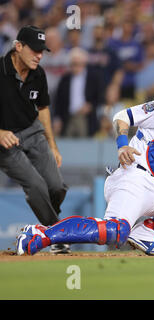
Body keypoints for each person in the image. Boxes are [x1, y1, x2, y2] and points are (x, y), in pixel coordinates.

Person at [16, 80, 154, 256]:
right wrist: (122, 145)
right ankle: (40, 234)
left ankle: (147, 232)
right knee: (115, 232)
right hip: (135, 178)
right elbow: (122, 117)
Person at [0, 25, 69, 254]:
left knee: (57, 186)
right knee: (36, 185)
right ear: (18, 47)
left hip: (32, 131)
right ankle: (55, 235)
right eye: (35, 50)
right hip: (5, 141)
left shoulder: (38, 73)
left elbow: (43, 109)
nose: (39, 55)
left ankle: (47, 223)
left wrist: (52, 145)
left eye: (42, 50)